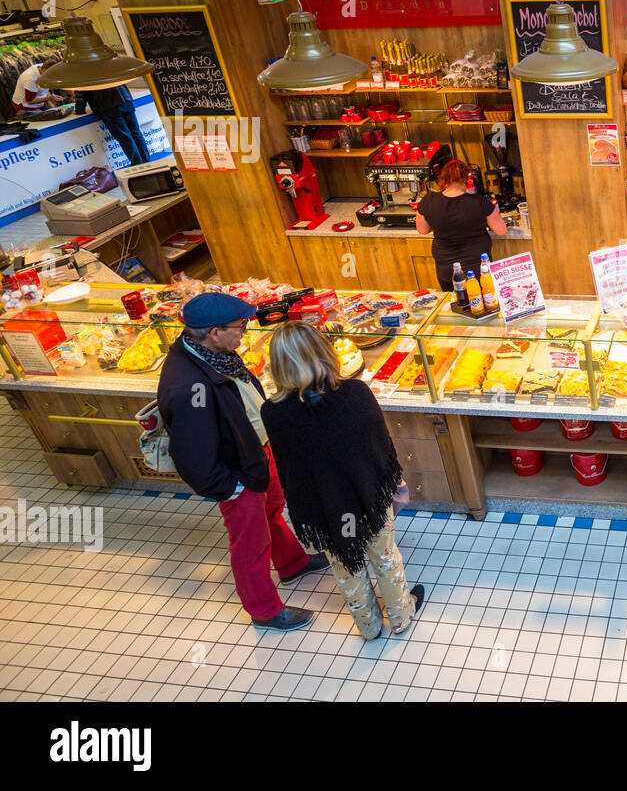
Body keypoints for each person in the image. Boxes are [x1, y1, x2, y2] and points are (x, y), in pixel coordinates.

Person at [157, 293, 327, 632]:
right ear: (214, 332)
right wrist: (229, 487)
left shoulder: (215, 354)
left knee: (273, 509)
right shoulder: (188, 385)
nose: (245, 331)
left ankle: (292, 563)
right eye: (240, 326)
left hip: (257, 451)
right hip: (237, 471)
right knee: (250, 541)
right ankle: (264, 609)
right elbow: (190, 452)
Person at [260, 321, 425, 639]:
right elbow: (381, 447)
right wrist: (389, 482)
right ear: (324, 353)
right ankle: (401, 617)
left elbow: (289, 468)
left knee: (346, 567)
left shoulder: (274, 412)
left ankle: (369, 627)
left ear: (279, 365)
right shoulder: (355, 393)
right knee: (386, 558)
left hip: (324, 508)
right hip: (368, 497)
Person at [415, 159, 507, 292]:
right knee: (483, 305)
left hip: (447, 271)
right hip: (478, 270)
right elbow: (501, 230)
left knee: (456, 305)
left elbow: (423, 230)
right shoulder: (480, 201)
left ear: (444, 178)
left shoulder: (428, 201)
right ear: (466, 178)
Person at [75, 85, 151, 166]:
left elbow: (80, 90)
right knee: (136, 133)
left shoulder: (82, 73)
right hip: (125, 98)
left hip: (107, 105)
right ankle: (146, 162)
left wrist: (79, 110)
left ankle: (138, 165)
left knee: (124, 137)